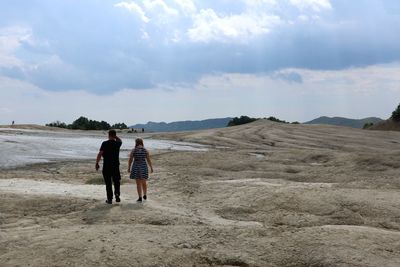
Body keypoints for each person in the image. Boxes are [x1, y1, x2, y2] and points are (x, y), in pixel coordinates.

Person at [96, 130, 122, 204]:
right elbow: (120, 140)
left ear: (108, 135)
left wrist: (97, 163)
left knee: (108, 183)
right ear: (115, 135)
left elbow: (100, 154)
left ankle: (110, 199)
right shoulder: (117, 143)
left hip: (107, 165)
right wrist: (115, 136)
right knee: (116, 181)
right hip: (116, 165)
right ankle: (117, 194)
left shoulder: (104, 143)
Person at [128, 138, 153, 203]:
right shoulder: (145, 150)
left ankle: (140, 197)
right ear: (142, 142)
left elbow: (130, 160)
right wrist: (151, 167)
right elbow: (148, 160)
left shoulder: (134, 150)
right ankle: (145, 194)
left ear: (136, 143)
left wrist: (129, 167)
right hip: (144, 167)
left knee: (138, 183)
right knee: (144, 182)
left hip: (136, 167)